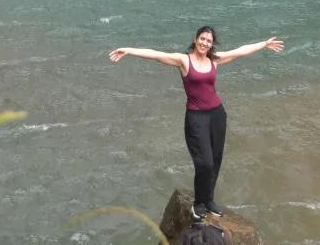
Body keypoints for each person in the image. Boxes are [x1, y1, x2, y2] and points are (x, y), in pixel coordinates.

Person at [109, 26, 284, 221]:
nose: (204, 43)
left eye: (208, 41)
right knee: (205, 163)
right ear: (195, 39)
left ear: (211, 45)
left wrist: (264, 44)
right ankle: (198, 204)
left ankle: (208, 200)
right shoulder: (184, 60)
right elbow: (155, 55)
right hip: (196, 118)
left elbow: (240, 51)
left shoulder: (214, 60)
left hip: (217, 115)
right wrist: (128, 50)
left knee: (215, 161)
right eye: (202, 39)